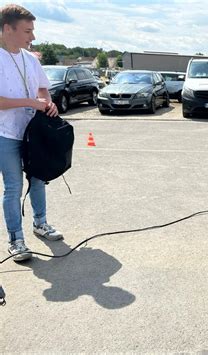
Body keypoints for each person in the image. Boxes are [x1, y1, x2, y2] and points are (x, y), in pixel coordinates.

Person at [0, 4, 62, 262]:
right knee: (13, 186)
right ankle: (16, 239)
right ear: (6, 29)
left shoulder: (30, 59)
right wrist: (28, 102)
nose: (33, 37)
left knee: (38, 179)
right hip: (6, 133)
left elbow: (42, 89)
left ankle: (41, 223)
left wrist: (47, 103)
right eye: (27, 31)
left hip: (33, 132)